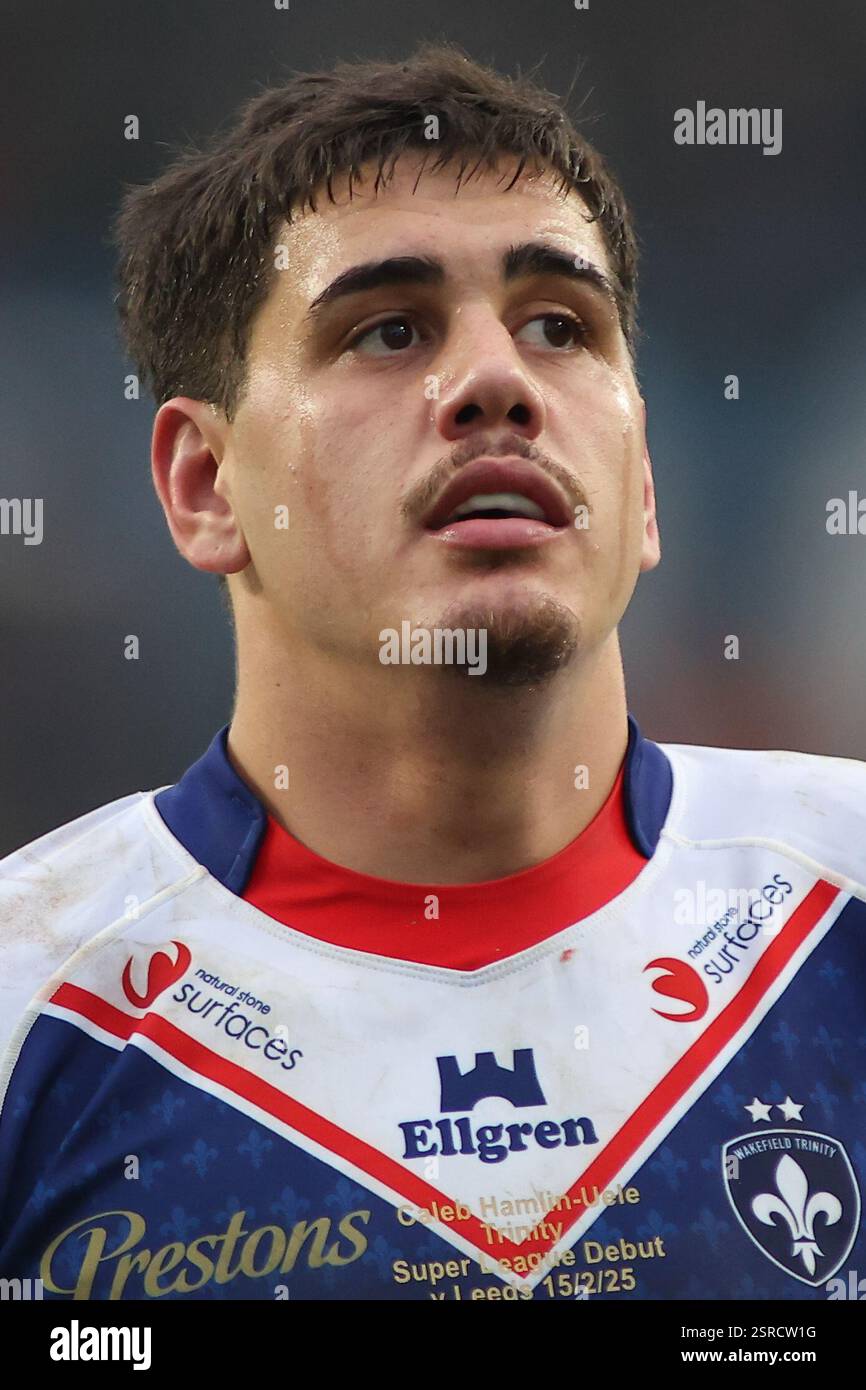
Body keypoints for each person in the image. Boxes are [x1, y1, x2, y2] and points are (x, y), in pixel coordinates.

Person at [1, 42, 863, 1303]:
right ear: (205, 484)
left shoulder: (836, 914)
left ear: (644, 484)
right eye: (388, 330)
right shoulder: (34, 1004)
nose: (495, 381)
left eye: (559, 327)